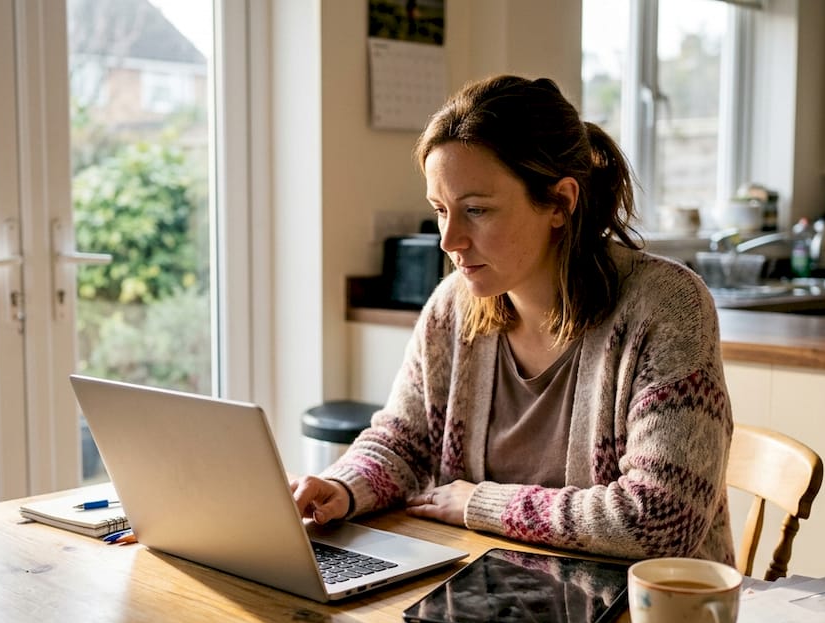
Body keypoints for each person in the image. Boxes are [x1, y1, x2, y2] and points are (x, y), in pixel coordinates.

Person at [291, 75, 734, 564]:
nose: (449, 239)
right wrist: (341, 485)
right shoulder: (452, 308)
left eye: (476, 210)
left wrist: (480, 503)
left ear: (561, 203)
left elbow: (660, 517)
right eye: (441, 210)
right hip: (490, 594)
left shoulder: (667, 306)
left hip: (646, 620)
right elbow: (404, 440)